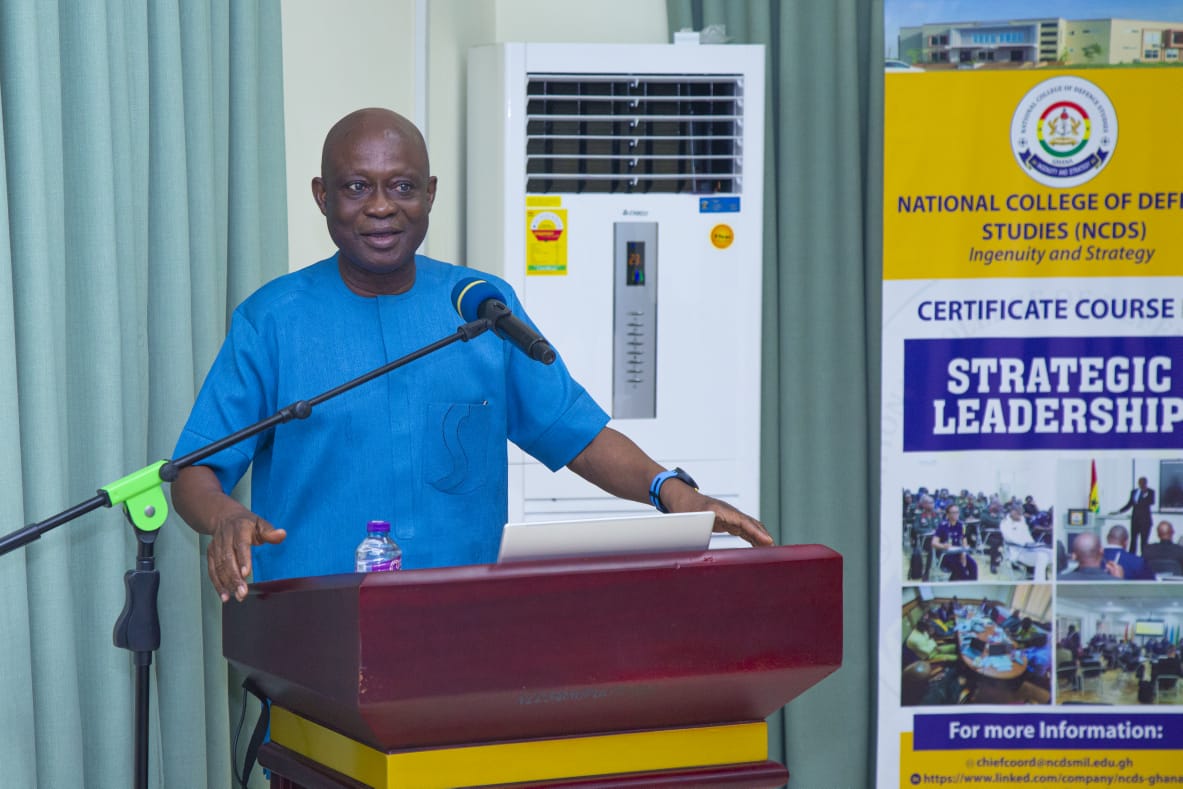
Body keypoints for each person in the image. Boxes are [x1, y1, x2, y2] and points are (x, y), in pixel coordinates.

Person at [171, 108, 772, 602]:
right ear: (321, 196)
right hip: (314, 633)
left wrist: (674, 492)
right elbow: (195, 470)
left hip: (462, 625)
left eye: (403, 186)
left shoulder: (480, 307)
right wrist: (225, 516)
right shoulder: (272, 320)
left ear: (430, 194)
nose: (381, 206)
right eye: (356, 187)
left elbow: (577, 435)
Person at [999, 505, 1052, 581]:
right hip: (1018, 552)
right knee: (1042, 557)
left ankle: (1040, 578)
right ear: (1012, 512)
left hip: (1030, 548)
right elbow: (1011, 539)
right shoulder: (1004, 523)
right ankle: (1040, 581)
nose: (1020, 516)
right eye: (1018, 513)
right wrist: (1027, 544)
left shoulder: (1021, 520)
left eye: (1021, 513)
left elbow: (1027, 536)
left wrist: (1035, 545)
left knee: (1051, 553)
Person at [932, 503, 977, 581]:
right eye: (953, 512)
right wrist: (943, 546)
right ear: (948, 514)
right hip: (946, 555)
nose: (956, 514)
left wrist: (964, 553)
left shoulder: (961, 525)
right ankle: (965, 584)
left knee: (973, 565)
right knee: (961, 569)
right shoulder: (942, 526)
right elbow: (934, 543)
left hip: (959, 553)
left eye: (957, 512)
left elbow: (964, 539)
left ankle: (972, 584)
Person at [1112, 476, 1155, 556]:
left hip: (1145, 521)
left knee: (1144, 542)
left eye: (1143, 482)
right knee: (1133, 541)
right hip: (1135, 520)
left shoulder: (1150, 492)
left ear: (1146, 483)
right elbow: (1129, 504)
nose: (1141, 484)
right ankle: (1131, 557)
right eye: (1140, 482)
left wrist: (1144, 494)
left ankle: (1144, 558)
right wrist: (1118, 511)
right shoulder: (1134, 492)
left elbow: (1151, 502)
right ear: (1138, 483)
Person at [1058, 532, 1123, 581]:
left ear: (1074, 556)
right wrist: (1119, 582)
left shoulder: (1059, 581)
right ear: (1101, 551)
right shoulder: (1114, 582)